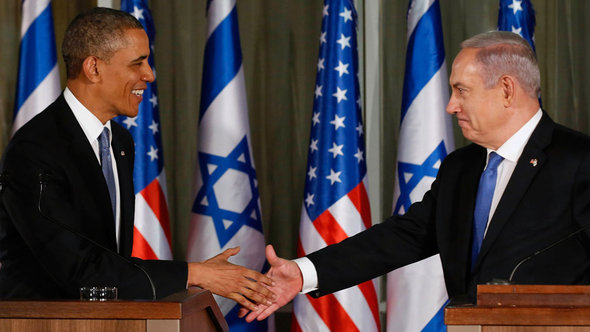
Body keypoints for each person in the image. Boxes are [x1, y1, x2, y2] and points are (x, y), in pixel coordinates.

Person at [241, 30, 590, 321]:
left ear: (507, 90)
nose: (451, 105)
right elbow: (403, 238)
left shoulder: (578, 161)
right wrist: (305, 273)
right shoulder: (461, 167)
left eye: (461, 90)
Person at [0, 7, 275, 310]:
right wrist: (193, 273)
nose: (149, 75)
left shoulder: (119, 142)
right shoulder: (36, 148)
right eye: (138, 63)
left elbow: (111, 257)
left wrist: (191, 276)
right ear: (93, 68)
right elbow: (79, 269)